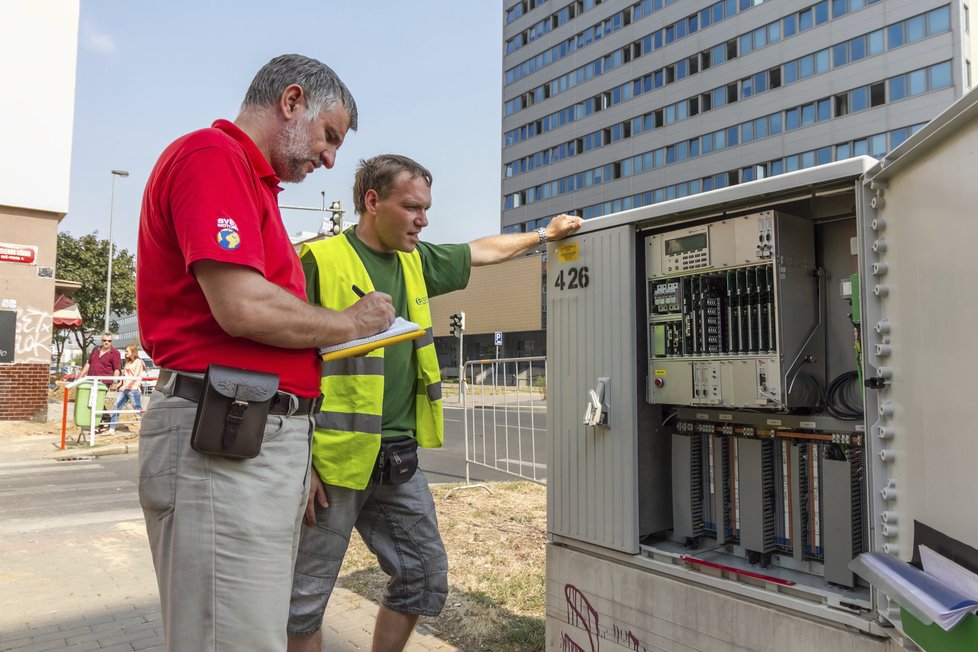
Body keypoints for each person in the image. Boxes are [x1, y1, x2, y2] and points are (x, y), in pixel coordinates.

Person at [135, 54, 394, 651]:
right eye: (329, 136)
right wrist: (348, 323)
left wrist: (291, 444)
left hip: (242, 437)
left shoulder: (250, 183)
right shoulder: (212, 157)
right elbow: (242, 305)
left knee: (246, 632)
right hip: (222, 442)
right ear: (292, 101)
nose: (331, 158)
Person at [287, 154, 583, 652]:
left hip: (397, 457)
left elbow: (481, 251)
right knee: (303, 602)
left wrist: (543, 236)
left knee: (423, 579)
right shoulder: (318, 261)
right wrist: (298, 460)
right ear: (372, 201)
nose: (423, 220)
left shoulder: (416, 260)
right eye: (412, 208)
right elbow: (283, 354)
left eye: (426, 208)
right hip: (331, 463)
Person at [78, 332, 121, 431]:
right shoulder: (95, 349)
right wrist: (81, 375)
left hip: (104, 381)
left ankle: (107, 420)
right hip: (91, 379)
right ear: (102, 340)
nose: (106, 342)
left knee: (97, 401)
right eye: (105, 340)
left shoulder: (115, 353)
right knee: (91, 401)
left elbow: (117, 369)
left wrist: (115, 382)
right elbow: (89, 363)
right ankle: (101, 423)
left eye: (109, 341)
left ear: (111, 342)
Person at [107, 343, 145, 434]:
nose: (126, 352)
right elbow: (125, 375)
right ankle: (111, 429)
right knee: (116, 406)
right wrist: (120, 384)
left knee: (137, 408)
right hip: (125, 389)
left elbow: (135, 376)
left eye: (127, 351)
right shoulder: (127, 362)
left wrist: (126, 385)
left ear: (133, 351)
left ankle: (151, 424)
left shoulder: (138, 362)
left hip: (133, 389)